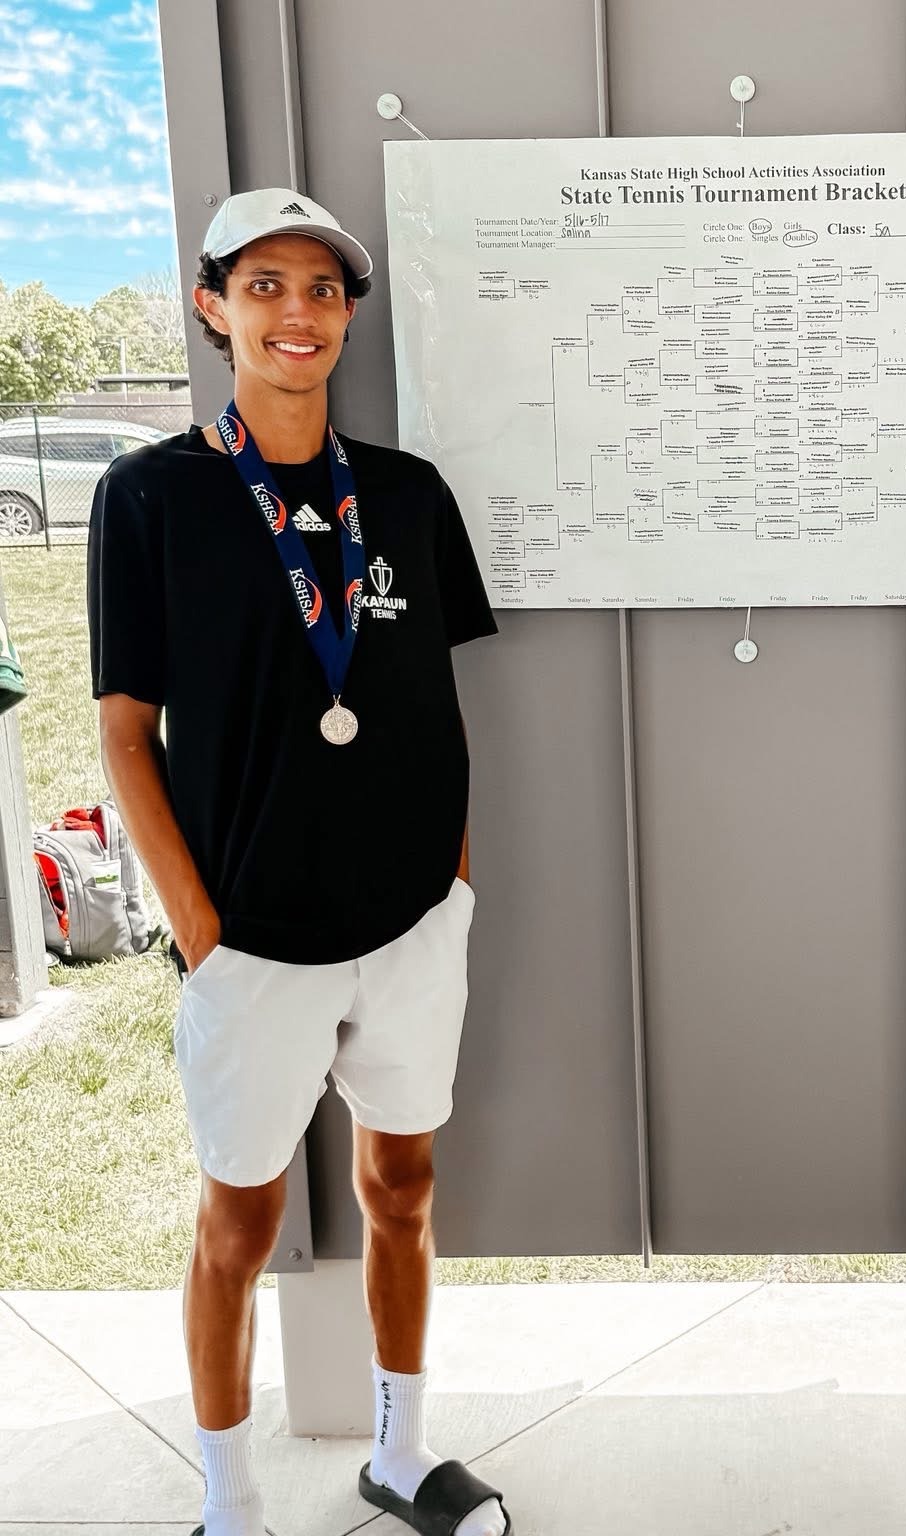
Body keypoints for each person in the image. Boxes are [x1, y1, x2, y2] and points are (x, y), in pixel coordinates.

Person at [88, 189, 508, 1536]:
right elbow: (125, 732)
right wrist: (199, 928)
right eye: (263, 285)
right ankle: (230, 1502)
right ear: (213, 307)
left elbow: (431, 699)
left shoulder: (405, 495)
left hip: (411, 924)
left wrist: (449, 882)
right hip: (251, 940)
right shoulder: (150, 496)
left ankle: (402, 1452)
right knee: (239, 1223)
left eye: (322, 289)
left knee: (403, 1188)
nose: (297, 313)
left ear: (346, 317)